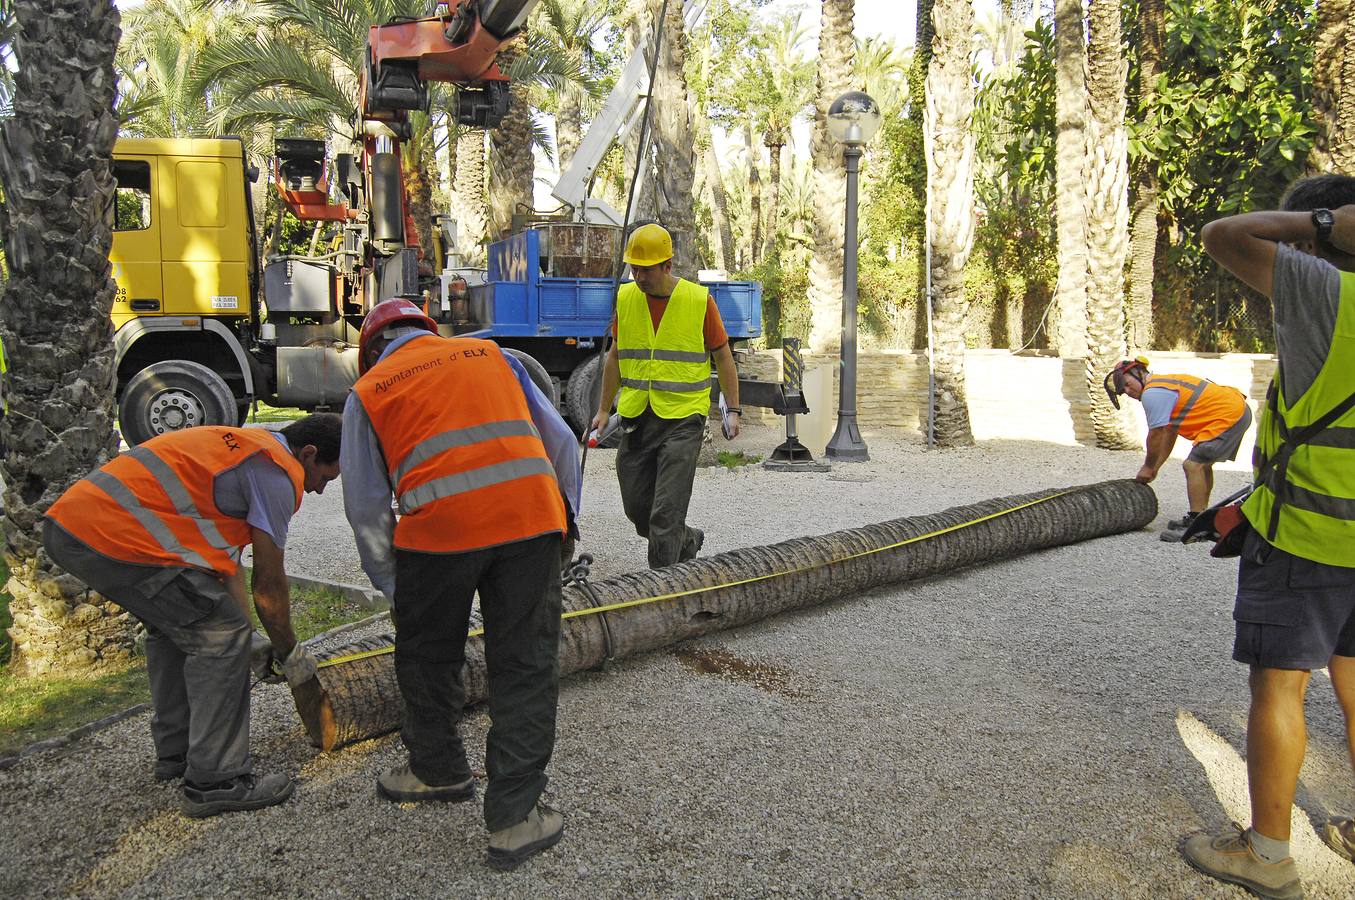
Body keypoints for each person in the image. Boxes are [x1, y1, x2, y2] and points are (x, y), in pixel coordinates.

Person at [341, 299, 580, 871]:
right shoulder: (494, 355)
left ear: (371, 352)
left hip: (438, 536)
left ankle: (437, 770)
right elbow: (564, 446)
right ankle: (516, 819)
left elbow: (367, 507)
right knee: (524, 663)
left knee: (426, 656)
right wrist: (565, 522)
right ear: (428, 330)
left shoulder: (369, 392)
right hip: (530, 522)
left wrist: (397, 589)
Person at [1178, 177, 1355, 899]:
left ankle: (1268, 854)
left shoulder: (1323, 291)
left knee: (1277, 688)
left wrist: (1320, 222)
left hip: (1308, 534)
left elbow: (1222, 233)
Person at [42, 414, 342, 818]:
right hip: (108, 534)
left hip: (73, 528)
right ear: (309, 453)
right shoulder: (276, 473)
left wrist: (250, 639)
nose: (323, 490)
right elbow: (269, 586)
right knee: (218, 636)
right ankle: (217, 780)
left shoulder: (245, 450)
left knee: (181, 629)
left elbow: (228, 567)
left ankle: (178, 755)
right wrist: (290, 654)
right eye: (327, 476)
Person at [590, 223, 742, 569]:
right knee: (637, 508)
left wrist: (733, 410)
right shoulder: (627, 298)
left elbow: (722, 356)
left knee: (664, 514)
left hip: (683, 420)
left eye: (646, 270)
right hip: (637, 418)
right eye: (634, 268)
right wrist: (602, 409)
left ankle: (661, 592)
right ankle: (686, 539)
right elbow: (616, 354)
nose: (639, 277)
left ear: (667, 266)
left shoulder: (698, 301)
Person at [1104, 356, 1253, 541]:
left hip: (1228, 416)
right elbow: (1169, 433)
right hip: (1236, 410)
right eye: (1124, 391)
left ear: (1139, 373)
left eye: (1127, 384)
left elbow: (1156, 435)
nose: (1128, 391)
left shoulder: (1152, 393)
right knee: (1202, 464)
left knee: (1193, 465)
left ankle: (1196, 525)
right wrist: (1155, 468)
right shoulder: (1163, 385)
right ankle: (1202, 518)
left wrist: (1147, 466)